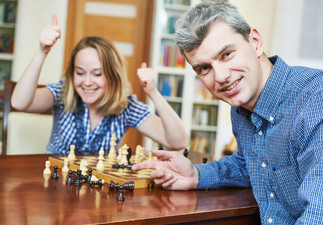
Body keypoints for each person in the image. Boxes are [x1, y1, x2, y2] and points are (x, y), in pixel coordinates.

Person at [132, 1, 323, 225]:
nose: (220, 77)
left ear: (255, 42)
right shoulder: (242, 107)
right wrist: (197, 175)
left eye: (227, 54)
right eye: (204, 68)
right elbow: (253, 163)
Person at [11, 15, 189, 154]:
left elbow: (178, 141)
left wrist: (153, 92)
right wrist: (42, 52)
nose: (87, 82)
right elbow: (19, 102)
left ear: (112, 75)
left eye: (97, 74)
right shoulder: (63, 92)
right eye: (80, 73)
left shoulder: (126, 107)